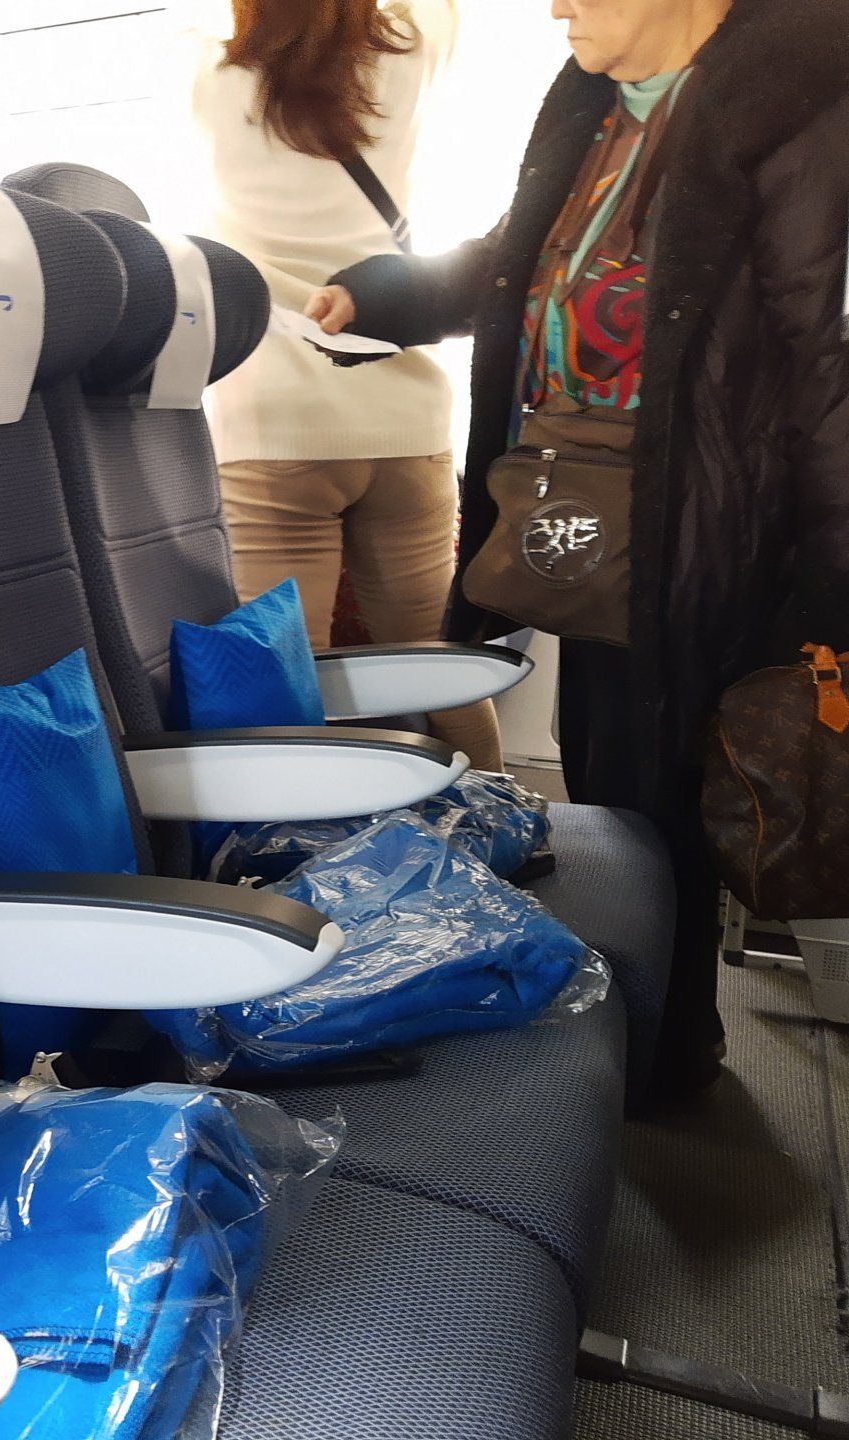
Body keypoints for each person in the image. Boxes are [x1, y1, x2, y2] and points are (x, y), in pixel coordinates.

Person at [305, 0, 849, 1102]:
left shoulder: (793, 105)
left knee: (665, 795)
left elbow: (823, 356)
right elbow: (515, 261)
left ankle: (664, 1059)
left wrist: (834, 575)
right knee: (608, 777)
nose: (555, 4)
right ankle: (639, 1043)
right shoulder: (598, 107)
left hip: (712, 519)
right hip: (595, 514)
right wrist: (381, 292)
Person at [188, 0, 504, 771]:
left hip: (273, 417)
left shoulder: (209, 71)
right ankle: (508, 821)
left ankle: (309, 846)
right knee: (438, 669)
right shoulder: (414, 45)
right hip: (403, 411)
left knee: (286, 686)